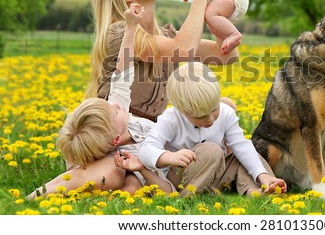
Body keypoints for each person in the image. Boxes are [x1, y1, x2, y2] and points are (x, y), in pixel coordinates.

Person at [28, 0, 238, 198]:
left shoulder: (166, 36)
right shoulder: (120, 32)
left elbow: (227, 56)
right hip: (111, 139)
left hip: (148, 136)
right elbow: (184, 50)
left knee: (225, 107)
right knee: (115, 174)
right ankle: (50, 190)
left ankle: (147, 181)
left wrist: (214, 9)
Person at [27, 3, 173, 199]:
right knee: (116, 176)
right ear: (115, 140)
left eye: (109, 104)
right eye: (113, 111)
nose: (115, 104)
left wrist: (130, 28)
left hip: (133, 168)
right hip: (124, 165)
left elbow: (123, 72)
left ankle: (63, 185)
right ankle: (42, 193)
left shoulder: (119, 116)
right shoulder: (115, 150)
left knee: (128, 184)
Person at [114, 62, 287, 197]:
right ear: (181, 109)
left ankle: (257, 189)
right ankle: (188, 197)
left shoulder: (225, 113)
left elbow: (241, 146)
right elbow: (146, 150)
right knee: (211, 149)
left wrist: (262, 175)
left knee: (242, 153)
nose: (210, 119)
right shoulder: (171, 118)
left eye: (214, 110)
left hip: (216, 172)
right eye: (201, 116)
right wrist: (169, 157)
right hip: (183, 177)